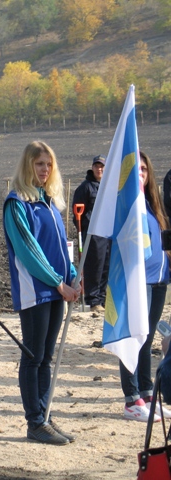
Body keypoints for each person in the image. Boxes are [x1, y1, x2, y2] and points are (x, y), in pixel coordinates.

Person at [3, 141, 80, 446]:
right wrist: (58, 283)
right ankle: (34, 422)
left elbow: (60, 247)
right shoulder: (16, 203)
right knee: (33, 357)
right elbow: (30, 251)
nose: (45, 170)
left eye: (48, 164)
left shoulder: (49, 201)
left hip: (57, 290)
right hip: (35, 291)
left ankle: (44, 414)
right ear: (27, 166)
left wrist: (73, 277)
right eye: (39, 164)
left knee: (47, 357)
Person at [119, 151, 171, 422]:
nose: (140, 173)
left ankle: (147, 394)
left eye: (144, 169)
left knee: (148, 339)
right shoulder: (127, 203)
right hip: (139, 282)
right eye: (135, 169)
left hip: (160, 280)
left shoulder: (153, 203)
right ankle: (131, 399)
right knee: (133, 338)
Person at [72, 155, 111, 313]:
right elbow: (77, 214)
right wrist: (86, 228)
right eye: (96, 166)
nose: (99, 169)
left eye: (101, 166)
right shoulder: (86, 187)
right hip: (93, 234)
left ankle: (102, 299)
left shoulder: (108, 186)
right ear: (92, 167)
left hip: (108, 233)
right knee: (94, 266)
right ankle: (93, 300)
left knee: (105, 266)